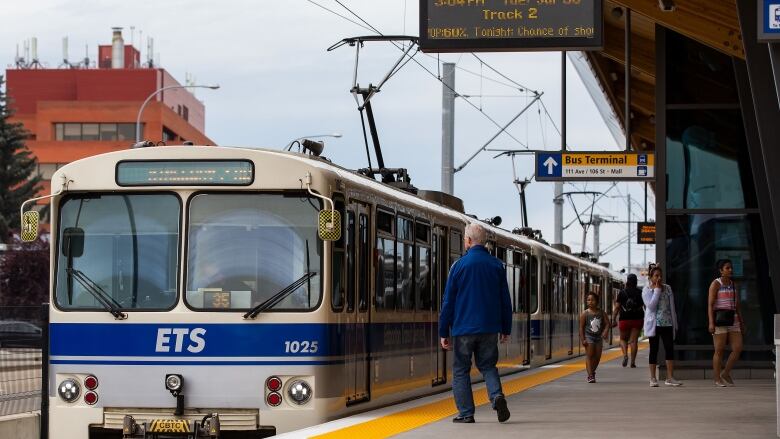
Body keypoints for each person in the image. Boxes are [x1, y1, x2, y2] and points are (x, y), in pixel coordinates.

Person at [439, 223, 512, 424]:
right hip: (489, 328)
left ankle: (466, 413)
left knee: (461, 369)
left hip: (463, 328)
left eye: (464, 239)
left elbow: (448, 301)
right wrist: (506, 329)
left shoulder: (458, 266)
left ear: (469, 241)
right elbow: (505, 300)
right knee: (488, 366)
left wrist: (443, 330)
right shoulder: (497, 266)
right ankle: (496, 396)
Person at [643, 265, 682, 387]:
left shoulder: (668, 288)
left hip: (667, 323)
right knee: (653, 350)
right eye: (656, 276)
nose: (659, 278)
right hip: (654, 325)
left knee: (669, 349)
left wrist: (675, 323)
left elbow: (672, 307)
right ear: (651, 277)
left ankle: (670, 377)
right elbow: (651, 306)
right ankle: (653, 378)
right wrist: (657, 290)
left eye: (660, 276)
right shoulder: (646, 290)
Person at [708, 259, 744, 387]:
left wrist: (741, 321)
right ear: (721, 270)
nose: (730, 270)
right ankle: (717, 379)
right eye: (727, 268)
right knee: (719, 350)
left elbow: (737, 305)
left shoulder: (733, 285)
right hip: (719, 320)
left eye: (731, 267)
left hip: (733, 320)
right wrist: (711, 323)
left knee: (738, 348)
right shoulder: (716, 284)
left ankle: (726, 373)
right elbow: (710, 305)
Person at [612, 274, 644, 368]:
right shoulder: (640, 292)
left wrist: (613, 319)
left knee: (623, 339)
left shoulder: (622, 292)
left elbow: (617, 307)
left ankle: (625, 355)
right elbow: (645, 306)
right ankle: (633, 362)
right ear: (636, 281)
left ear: (628, 281)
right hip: (637, 319)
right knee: (634, 341)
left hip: (624, 319)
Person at [580, 292, 610, 383]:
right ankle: (590, 376)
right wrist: (583, 339)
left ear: (597, 301)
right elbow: (581, 328)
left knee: (597, 356)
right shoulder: (585, 314)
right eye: (588, 300)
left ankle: (592, 372)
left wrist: (605, 332)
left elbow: (607, 324)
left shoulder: (601, 312)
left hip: (598, 337)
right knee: (590, 355)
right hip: (589, 337)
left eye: (592, 300)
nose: (590, 302)